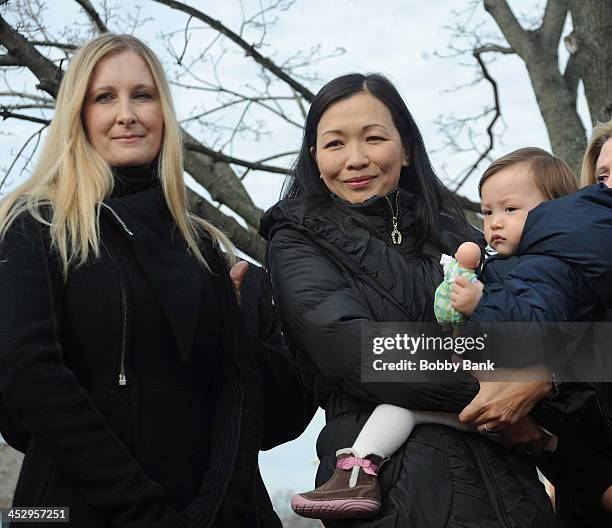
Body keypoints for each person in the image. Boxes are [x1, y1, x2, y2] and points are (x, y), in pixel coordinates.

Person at [0, 33, 312, 528]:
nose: (126, 113)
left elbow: (245, 400)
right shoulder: (37, 224)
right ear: (78, 114)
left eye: (142, 95)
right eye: (105, 97)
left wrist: (213, 511)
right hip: (75, 510)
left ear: (163, 111)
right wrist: (144, 513)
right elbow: (29, 381)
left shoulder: (208, 250)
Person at [260, 73, 558, 527]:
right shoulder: (296, 239)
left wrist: (546, 377)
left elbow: (554, 331)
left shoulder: (462, 237)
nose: (355, 159)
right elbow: (357, 349)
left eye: (374, 138)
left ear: (405, 148)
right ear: (314, 157)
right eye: (335, 144)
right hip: (393, 491)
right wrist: (506, 384)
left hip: (513, 492)